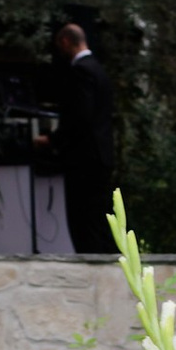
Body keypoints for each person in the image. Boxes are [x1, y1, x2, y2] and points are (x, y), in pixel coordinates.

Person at [52, 22, 117, 256]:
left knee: (84, 220)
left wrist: (54, 140)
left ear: (65, 42)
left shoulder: (81, 71)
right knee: (100, 218)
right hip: (101, 156)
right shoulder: (99, 70)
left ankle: (91, 265)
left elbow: (80, 116)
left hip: (84, 159)